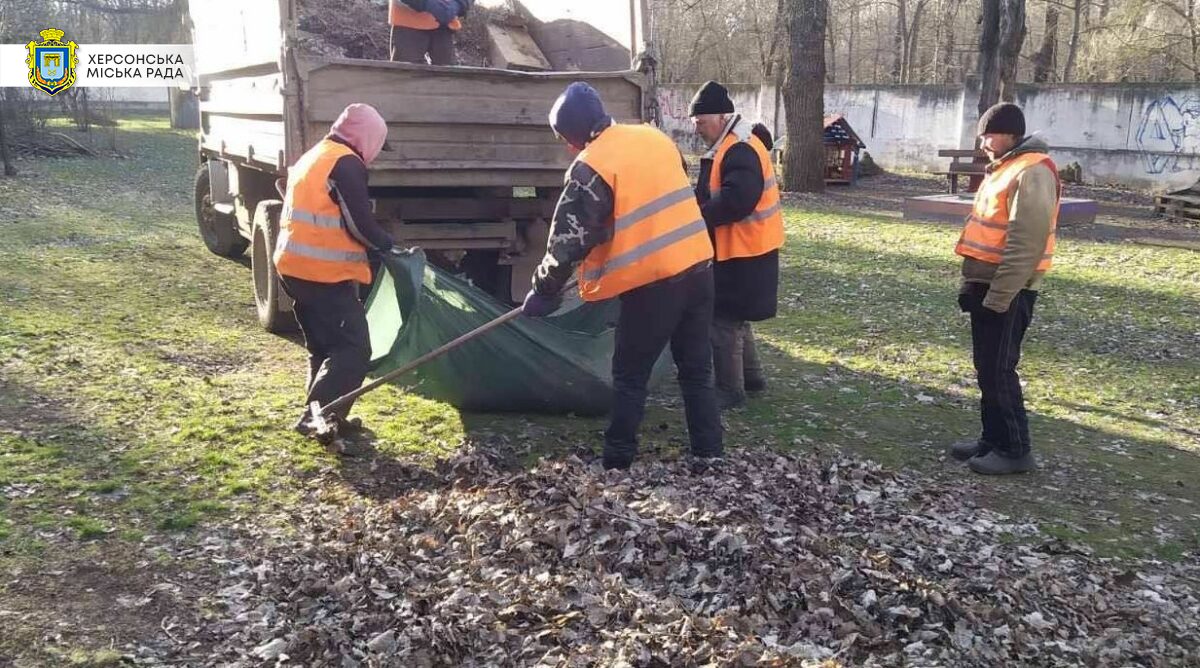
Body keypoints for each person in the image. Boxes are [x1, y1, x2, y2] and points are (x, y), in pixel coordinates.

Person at [522, 82, 723, 470]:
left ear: (573, 134)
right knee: (697, 371)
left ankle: (617, 461)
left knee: (630, 375)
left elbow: (569, 238)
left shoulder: (591, 165)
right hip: (699, 266)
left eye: (565, 138)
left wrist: (544, 288)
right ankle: (710, 454)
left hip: (654, 284)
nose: (567, 146)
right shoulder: (653, 137)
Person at [273, 103, 399, 444]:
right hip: (322, 274)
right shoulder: (347, 164)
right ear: (366, 138)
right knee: (354, 350)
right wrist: (389, 246)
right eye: (377, 145)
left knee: (324, 349)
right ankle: (314, 417)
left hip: (293, 267)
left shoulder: (317, 155)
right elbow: (360, 224)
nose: (375, 153)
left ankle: (330, 416)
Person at [950, 102, 1059, 475]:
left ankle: (1015, 449)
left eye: (990, 134)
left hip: (1009, 289)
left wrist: (999, 296)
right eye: (981, 134)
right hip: (987, 283)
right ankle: (992, 439)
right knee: (986, 367)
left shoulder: (1032, 172)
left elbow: (1025, 243)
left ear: (1012, 134)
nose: (983, 141)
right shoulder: (1004, 168)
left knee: (999, 369)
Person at [688, 81, 784, 410]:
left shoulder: (738, 148)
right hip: (751, 249)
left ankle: (730, 391)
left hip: (743, 250)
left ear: (720, 117)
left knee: (723, 319)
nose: (696, 128)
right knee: (737, 316)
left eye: (700, 121)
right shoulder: (734, 143)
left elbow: (737, 199)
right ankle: (753, 377)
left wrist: (698, 218)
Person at [388, 0, 473, 66]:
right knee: (402, 79)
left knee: (447, 79)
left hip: (444, 26)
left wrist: (459, 3)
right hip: (408, 24)